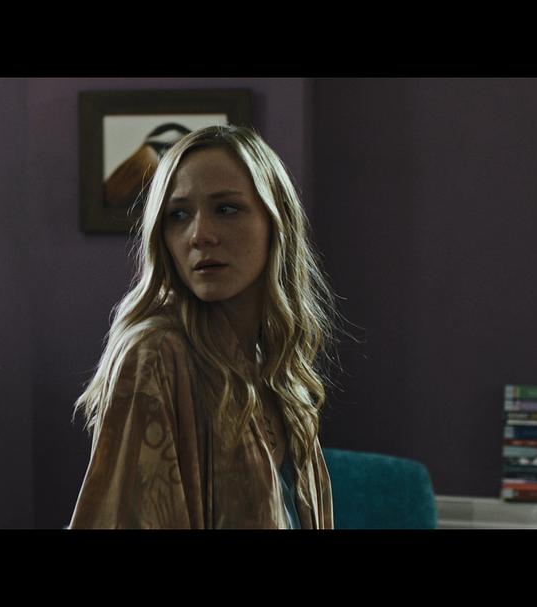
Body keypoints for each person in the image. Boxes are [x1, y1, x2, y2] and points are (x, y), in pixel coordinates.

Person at [69, 124, 346, 529]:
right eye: (179, 215)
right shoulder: (155, 355)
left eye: (226, 209)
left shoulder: (276, 369)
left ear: (277, 221)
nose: (200, 235)